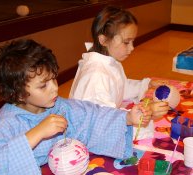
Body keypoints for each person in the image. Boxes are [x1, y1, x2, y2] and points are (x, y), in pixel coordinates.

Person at [0, 39, 152, 175]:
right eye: (43, 86)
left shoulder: (59, 106)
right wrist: (38, 132)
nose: (54, 88)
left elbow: (92, 116)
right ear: (18, 94)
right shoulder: (9, 120)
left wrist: (127, 118)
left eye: (53, 79)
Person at [69, 6, 169, 139]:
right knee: (150, 133)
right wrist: (146, 113)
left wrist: (147, 84)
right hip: (90, 133)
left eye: (133, 41)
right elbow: (102, 121)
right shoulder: (96, 75)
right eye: (126, 42)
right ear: (104, 40)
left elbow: (121, 86)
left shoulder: (110, 62)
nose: (132, 48)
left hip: (104, 120)